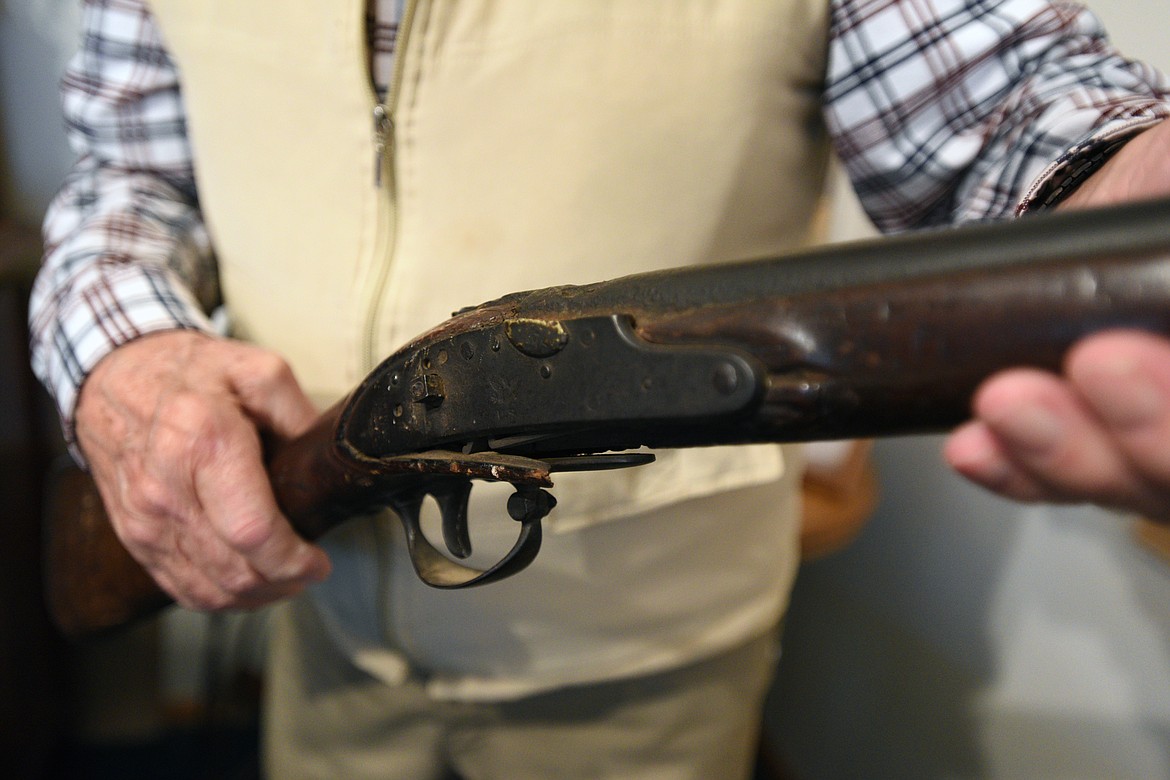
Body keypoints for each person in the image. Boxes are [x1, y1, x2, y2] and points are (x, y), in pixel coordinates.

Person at [29, 0, 1170, 777]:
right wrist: (121, 353)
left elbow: (1025, 110)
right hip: (319, 632)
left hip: (646, 669)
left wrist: (1131, 181)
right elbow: (128, 177)